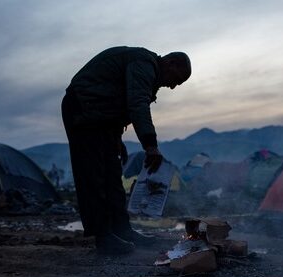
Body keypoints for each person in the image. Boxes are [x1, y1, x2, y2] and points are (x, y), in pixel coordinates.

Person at [61, 46, 191, 254]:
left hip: (101, 119)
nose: (174, 86)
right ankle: (103, 238)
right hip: (82, 112)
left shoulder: (146, 68)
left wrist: (116, 138)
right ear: (170, 63)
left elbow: (115, 100)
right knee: (93, 176)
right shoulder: (144, 64)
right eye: (177, 79)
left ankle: (122, 230)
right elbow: (136, 103)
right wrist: (151, 146)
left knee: (112, 175)